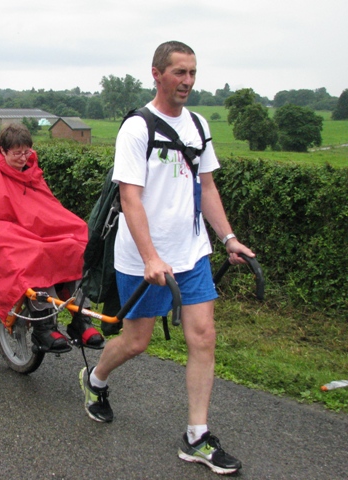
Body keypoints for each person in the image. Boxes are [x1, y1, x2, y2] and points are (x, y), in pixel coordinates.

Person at [78, 41, 254, 475]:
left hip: (191, 252)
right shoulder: (137, 128)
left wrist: (228, 237)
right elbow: (130, 198)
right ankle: (95, 379)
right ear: (157, 74)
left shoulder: (197, 124)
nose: (188, 82)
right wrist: (151, 257)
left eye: (193, 73)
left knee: (203, 335)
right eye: (179, 73)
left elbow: (207, 187)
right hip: (143, 259)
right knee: (137, 341)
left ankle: (197, 436)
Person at [0, 123, 103, 351]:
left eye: (26, 151)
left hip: (33, 228)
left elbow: (44, 207)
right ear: (3, 151)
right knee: (35, 254)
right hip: (1, 229)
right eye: (17, 153)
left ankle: (80, 318)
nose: (22, 157)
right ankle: (43, 328)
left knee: (78, 242)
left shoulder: (31, 171)